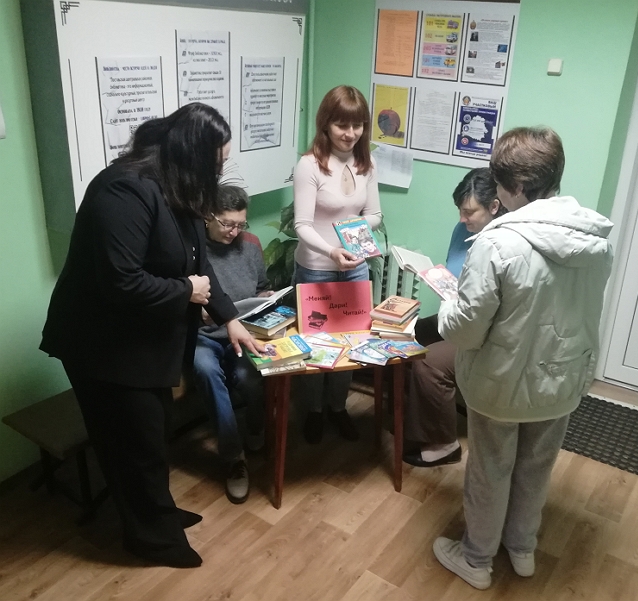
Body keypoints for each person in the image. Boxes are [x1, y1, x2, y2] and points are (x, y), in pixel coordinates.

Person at [40, 103, 262, 569]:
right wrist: (186, 291)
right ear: (191, 155)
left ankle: (157, 513)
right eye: (216, 162)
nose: (220, 172)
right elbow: (121, 281)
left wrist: (229, 318)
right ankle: (151, 540)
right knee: (133, 446)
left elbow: (198, 262)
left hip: (143, 341)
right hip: (102, 345)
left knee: (152, 434)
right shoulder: (123, 189)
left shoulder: (177, 187)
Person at [431, 127, 614, 589]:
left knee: (490, 469)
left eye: (498, 184)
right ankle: (522, 547)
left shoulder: (497, 244)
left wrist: (449, 306)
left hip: (502, 383)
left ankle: (476, 559)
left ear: (513, 186)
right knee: (536, 466)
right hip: (562, 379)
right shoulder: (595, 241)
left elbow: (466, 330)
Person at [293, 85, 382, 444]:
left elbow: (374, 215)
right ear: (326, 124)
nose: (350, 133)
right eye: (342, 125)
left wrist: (353, 231)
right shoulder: (309, 165)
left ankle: (338, 407)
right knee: (317, 342)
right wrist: (332, 250)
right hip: (316, 267)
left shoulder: (366, 164)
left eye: (357, 125)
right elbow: (302, 225)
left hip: (355, 265)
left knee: (351, 341)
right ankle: (314, 410)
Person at [403, 168, 504, 468]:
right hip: (458, 313)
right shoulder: (463, 230)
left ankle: (444, 444)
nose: (462, 219)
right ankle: (416, 418)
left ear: (494, 207)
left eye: (469, 212)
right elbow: (456, 276)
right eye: (460, 210)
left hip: (484, 330)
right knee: (408, 334)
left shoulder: (503, 245)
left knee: (429, 362)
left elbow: (489, 310)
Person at [193, 185, 270, 505]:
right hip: (204, 336)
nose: (234, 232)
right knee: (206, 370)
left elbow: (263, 286)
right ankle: (233, 457)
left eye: (240, 224)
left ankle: (255, 430)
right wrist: (197, 312)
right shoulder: (193, 249)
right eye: (227, 224)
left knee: (252, 377)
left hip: (245, 333)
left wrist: (267, 297)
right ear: (208, 217)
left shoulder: (250, 245)